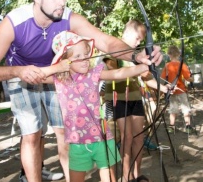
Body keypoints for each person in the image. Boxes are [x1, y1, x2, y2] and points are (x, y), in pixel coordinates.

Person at [0, 0, 163, 182]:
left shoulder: (68, 17)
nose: (62, 1)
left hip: (60, 73)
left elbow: (105, 42)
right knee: (32, 135)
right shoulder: (14, 22)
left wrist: (137, 55)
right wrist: (17, 71)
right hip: (20, 74)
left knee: (64, 133)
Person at [41, 31, 153, 181]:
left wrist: (144, 67)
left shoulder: (93, 74)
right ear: (64, 60)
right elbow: (37, 76)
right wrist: (57, 67)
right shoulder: (59, 80)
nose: (85, 59)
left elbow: (119, 73)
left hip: (102, 138)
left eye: (86, 54)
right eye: (78, 56)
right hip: (77, 142)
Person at [104, 20, 169, 182]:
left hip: (135, 99)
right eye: (137, 39)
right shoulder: (114, 48)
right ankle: (125, 177)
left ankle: (136, 174)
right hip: (119, 98)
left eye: (141, 40)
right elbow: (113, 70)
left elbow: (147, 78)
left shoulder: (137, 56)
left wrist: (166, 88)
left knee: (139, 137)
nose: (138, 43)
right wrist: (136, 67)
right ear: (127, 33)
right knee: (127, 137)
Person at [161, 45, 195, 134]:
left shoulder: (167, 65)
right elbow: (188, 78)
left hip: (171, 91)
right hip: (181, 90)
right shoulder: (182, 65)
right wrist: (192, 79)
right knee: (185, 108)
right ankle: (188, 126)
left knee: (173, 108)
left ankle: (172, 127)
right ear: (178, 54)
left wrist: (168, 85)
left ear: (169, 54)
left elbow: (163, 78)